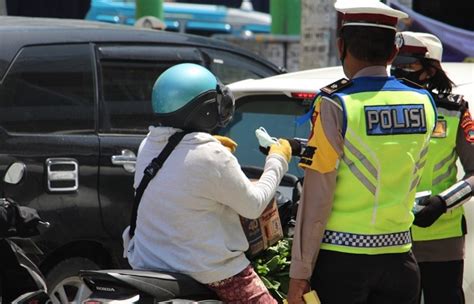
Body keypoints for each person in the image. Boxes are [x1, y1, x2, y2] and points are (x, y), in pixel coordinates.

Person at [286, 1, 438, 303]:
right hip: (402, 261)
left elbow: (318, 196)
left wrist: (300, 273)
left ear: (341, 45)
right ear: (394, 51)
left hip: (342, 263)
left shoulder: (335, 104)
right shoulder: (424, 102)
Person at [122, 63, 291, 303]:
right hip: (210, 271)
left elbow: (182, 178)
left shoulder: (149, 144)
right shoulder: (210, 153)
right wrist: (278, 159)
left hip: (150, 264)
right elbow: (253, 206)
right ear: (204, 109)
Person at [391, 31, 474, 304]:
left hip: (442, 240)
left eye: (408, 65)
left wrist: (442, 203)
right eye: (396, 63)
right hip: (387, 236)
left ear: (428, 71)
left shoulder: (453, 112)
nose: (399, 71)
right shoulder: (379, 107)